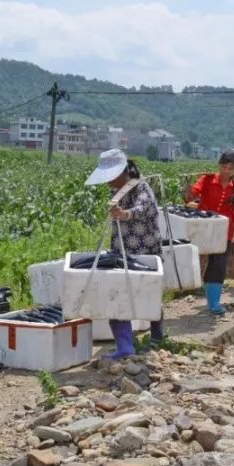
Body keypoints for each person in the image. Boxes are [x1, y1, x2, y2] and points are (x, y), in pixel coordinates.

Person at [85, 148, 165, 359]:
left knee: (149, 295)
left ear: (121, 173)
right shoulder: (116, 192)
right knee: (118, 296)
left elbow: (141, 209)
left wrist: (124, 214)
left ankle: (157, 339)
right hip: (122, 253)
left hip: (145, 253)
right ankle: (125, 347)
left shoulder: (142, 188)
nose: (108, 182)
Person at [188, 151, 234, 316]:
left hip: (223, 230)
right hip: (204, 227)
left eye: (230, 168)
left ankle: (214, 302)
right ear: (219, 165)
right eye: (224, 166)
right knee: (197, 259)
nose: (227, 171)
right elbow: (192, 195)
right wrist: (188, 191)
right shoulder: (207, 180)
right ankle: (189, 290)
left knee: (218, 264)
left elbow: (233, 212)